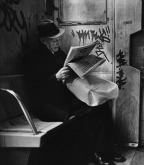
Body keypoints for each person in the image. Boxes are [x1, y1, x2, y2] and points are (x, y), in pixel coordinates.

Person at [25, 19, 126, 165]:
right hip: (49, 103)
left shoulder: (59, 53)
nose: (57, 43)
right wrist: (56, 77)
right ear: (43, 41)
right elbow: (35, 88)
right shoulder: (33, 58)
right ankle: (97, 152)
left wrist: (80, 69)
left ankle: (106, 148)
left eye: (58, 39)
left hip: (65, 95)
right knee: (89, 109)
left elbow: (69, 72)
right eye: (53, 41)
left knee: (101, 103)